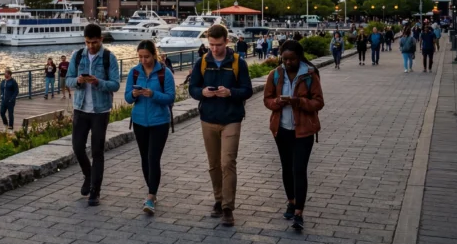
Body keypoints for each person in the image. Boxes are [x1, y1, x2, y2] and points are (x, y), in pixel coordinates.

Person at [188, 24, 254, 227]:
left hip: (231, 118)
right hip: (208, 118)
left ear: (227, 41)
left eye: (218, 45)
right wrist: (202, 93)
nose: (214, 49)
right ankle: (218, 199)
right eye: (211, 45)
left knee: (228, 163)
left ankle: (228, 207)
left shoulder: (237, 63)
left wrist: (231, 92)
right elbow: (192, 88)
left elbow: (248, 90)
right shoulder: (202, 62)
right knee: (214, 164)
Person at [263, 39, 324, 231]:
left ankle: (299, 211)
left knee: (299, 169)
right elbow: (267, 99)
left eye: (292, 59)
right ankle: (291, 200)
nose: (288, 63)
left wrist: (299, 102)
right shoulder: (275, 75)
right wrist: (277, 103)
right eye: (285, 59)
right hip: (281, 129)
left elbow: (318, 102)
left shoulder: (309, 75)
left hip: (303, 130)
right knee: (287, 168)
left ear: (299, 57)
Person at [66, 23, 121, 207]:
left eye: (94, 42)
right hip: (80, 109)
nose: (91, 46)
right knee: (77, 147)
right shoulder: (77, 56)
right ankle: (88, 174)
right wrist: (78, 81)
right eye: (88, 42)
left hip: (100, 111)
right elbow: (68, 79)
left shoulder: (108, 58)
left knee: (97, 151)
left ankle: (95, 192)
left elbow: (115, 84)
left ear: (101, 39)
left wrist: (98, 82)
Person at [124, 40, 176, 215]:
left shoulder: (164, 73)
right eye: (140, 57)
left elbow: (170, 97)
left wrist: (153, 94)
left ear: (154, 55)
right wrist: (133, 93)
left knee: (153, 158)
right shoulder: (134, 72)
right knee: (145, 158)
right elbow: (127, 98)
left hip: (159, 122)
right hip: (139, 121)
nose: (143, 60)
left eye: (146, 56)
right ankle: (151, 189)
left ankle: (151, 196)